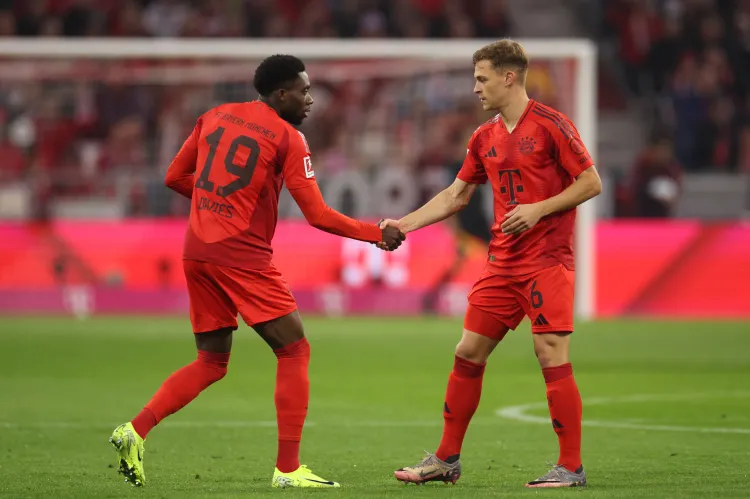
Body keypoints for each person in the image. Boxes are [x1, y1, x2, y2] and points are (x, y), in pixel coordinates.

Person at [108, 54, 405, 489]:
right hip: (240, 255)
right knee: (294, 350)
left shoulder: (214, 116)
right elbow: (318, 214)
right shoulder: (288, 138)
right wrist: (375, 233)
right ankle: (288, 470)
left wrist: (217, 202)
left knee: (211, 361)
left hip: (197, 250)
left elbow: (174, 176)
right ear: (281, 94)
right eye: (304, 91)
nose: (310, 99)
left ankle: (134, 431)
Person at [382, 39, 602, 488]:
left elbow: (590, 181)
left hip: (547, 261)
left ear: (509, 77)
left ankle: (571, 466)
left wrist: (540, 209)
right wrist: (403, 224)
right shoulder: (484, 136)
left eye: (482, 78)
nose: (476, 87)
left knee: (550, 352)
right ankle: (446, 459)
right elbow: (456, 195)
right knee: (468, 352)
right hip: (502, 264)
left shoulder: (552, 125)